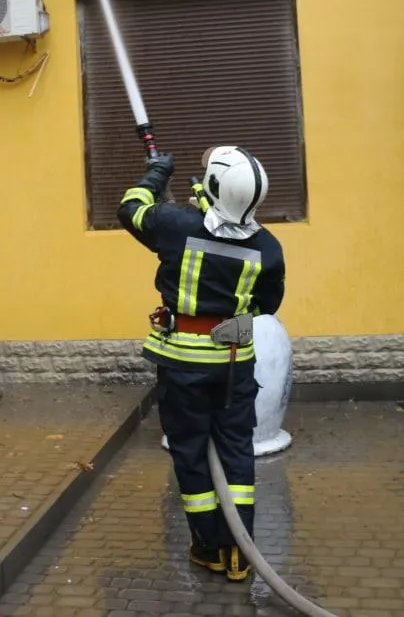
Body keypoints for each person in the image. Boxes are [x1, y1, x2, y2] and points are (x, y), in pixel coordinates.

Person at [118, 145, 286, 582]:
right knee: (236, 453)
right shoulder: (268, 246)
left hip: (183, 366)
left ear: (214, 185)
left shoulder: (176, 226)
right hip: (235, 367)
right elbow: (267, 304)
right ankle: (238, 553)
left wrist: (156, 172)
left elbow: (131, 208)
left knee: (192, 455)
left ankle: (208, 548)